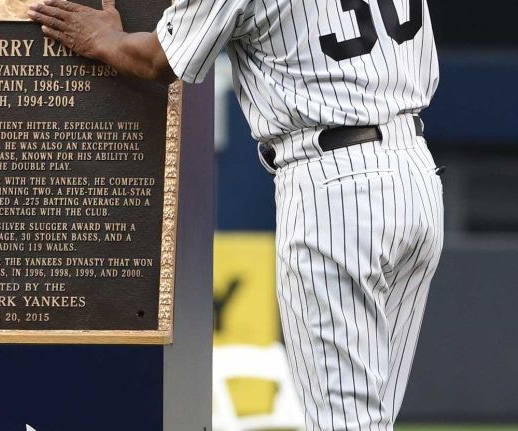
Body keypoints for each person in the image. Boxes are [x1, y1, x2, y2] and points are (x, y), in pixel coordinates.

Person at [29, 0, 443, 429]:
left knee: (345, 423)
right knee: (370, 417)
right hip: (415, 171)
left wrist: (104, 39)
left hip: (335, 185)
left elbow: (160, 59)